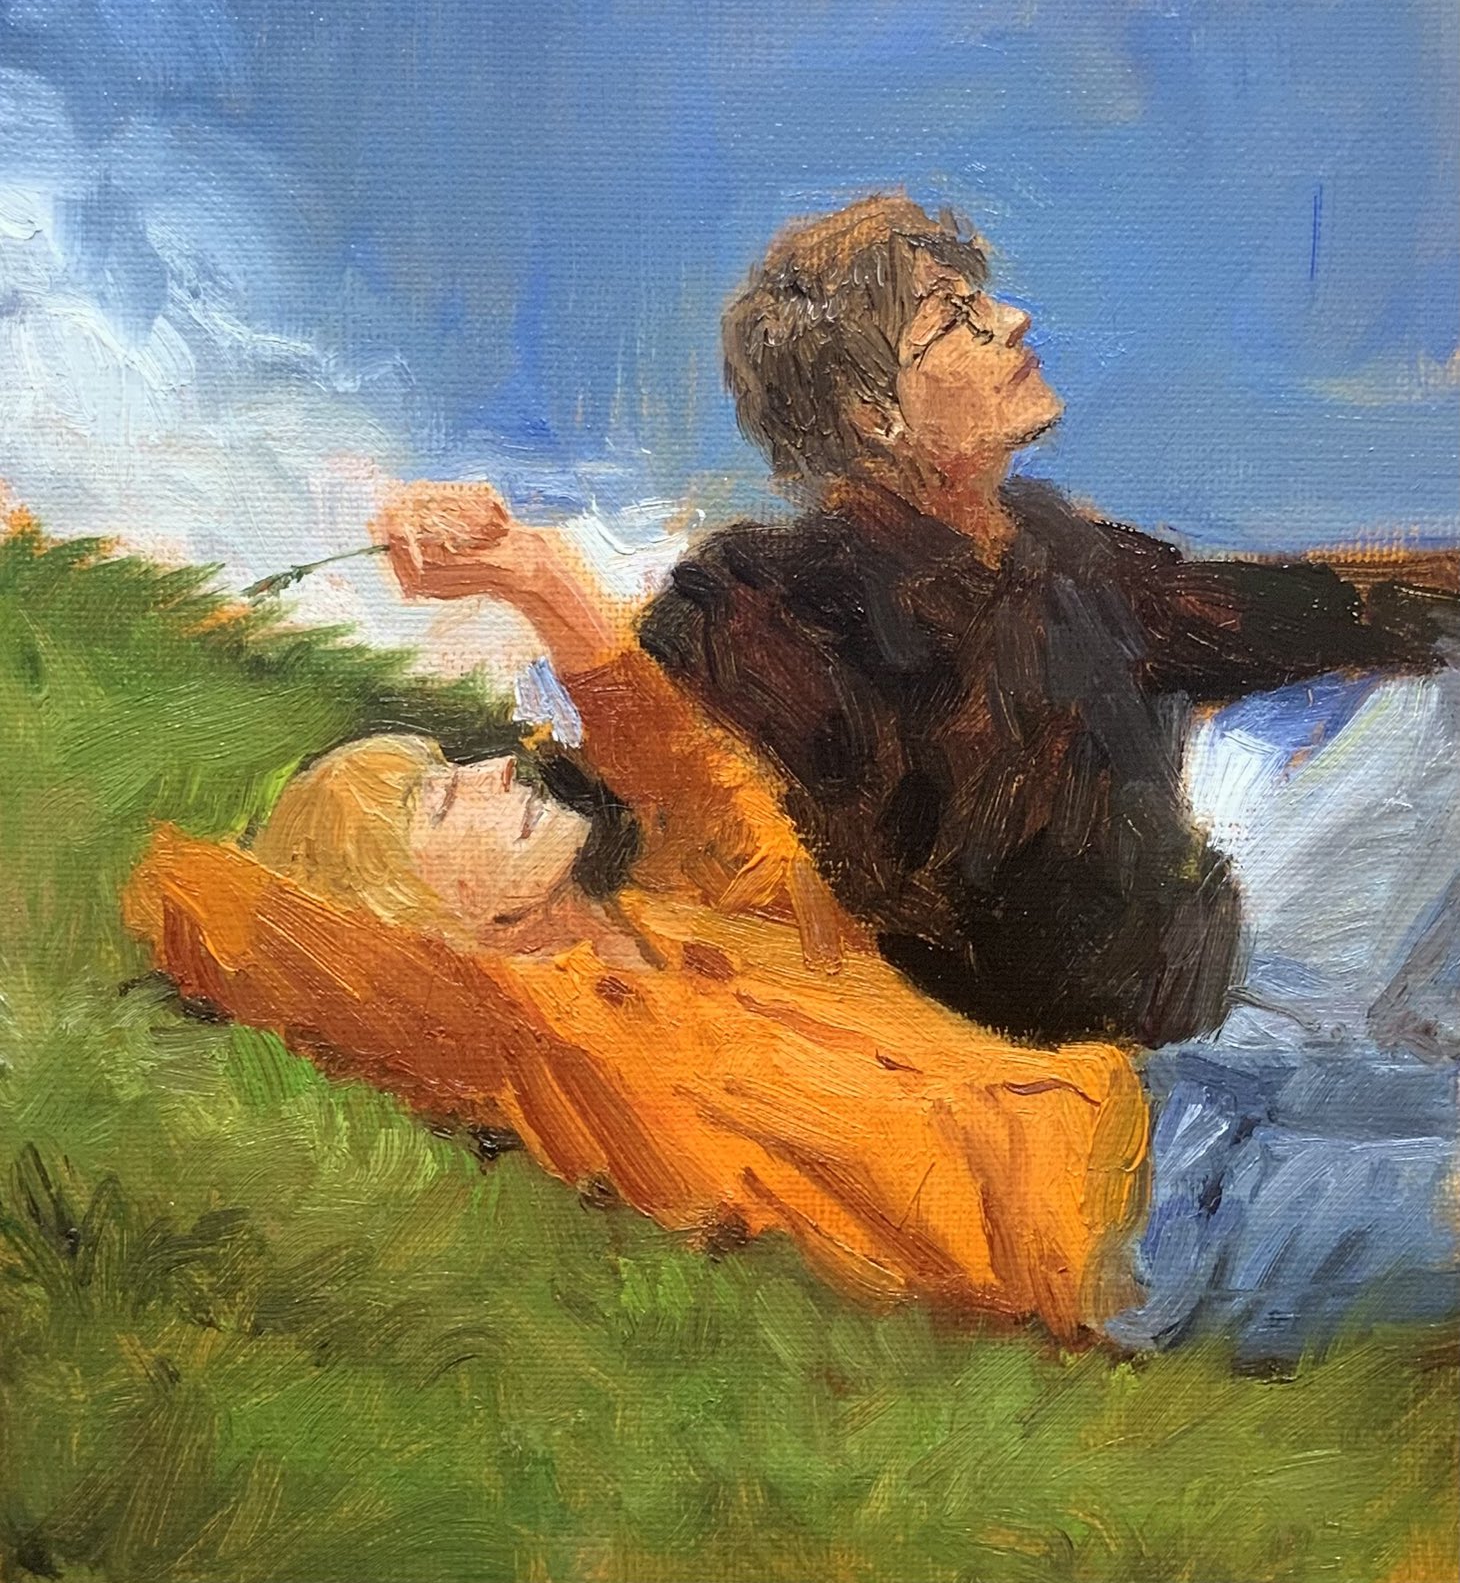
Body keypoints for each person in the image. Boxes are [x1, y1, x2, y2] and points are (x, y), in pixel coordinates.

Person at [381, 194, 1458, 1051]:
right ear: (873, 414)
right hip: (1038, 1091)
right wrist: (512, 578)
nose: (1012, 320)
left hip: (1225, 1028)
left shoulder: (1066, 555)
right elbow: (617, 792)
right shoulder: (754, 603)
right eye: (955, 317)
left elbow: (1306, 610)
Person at [124, 513, 1147, 1340]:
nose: (494, 768)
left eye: (454, 765)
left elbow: (691, 783)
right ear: (414, 921)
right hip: (1103, 1237)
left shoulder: (684, 918)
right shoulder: (549, 1040)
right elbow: (233, 920)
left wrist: (534, 577)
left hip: (1142, 1111)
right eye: (438, 800)